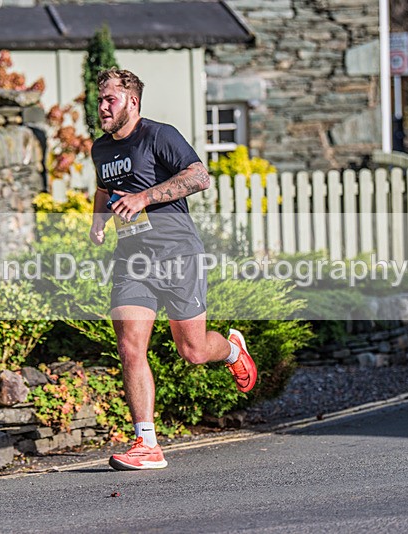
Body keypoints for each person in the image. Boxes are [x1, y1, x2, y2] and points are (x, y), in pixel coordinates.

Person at [88, 68, 257, 470]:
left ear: (132, 101)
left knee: (192, 351)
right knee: (130, 347)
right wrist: (98, 220)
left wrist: (144, 198)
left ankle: (233, 349)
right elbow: (102, 187)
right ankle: (146, 443)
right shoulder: (101, 148)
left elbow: (200, 176)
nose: (102, 107)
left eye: (110, 99)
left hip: (178, 253)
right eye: (99, 99)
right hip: (133, 259)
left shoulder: (159, 135)